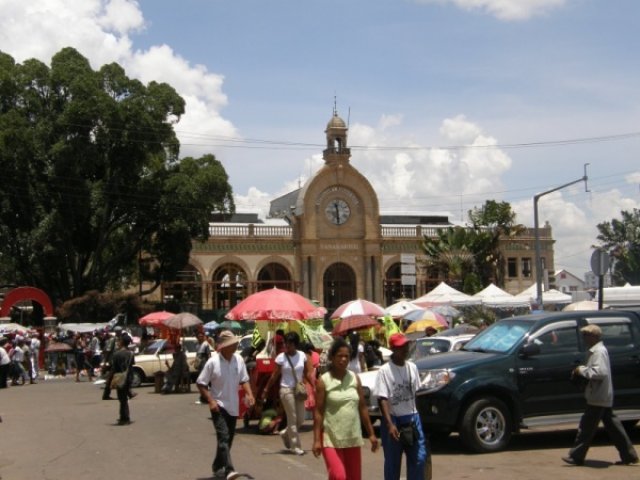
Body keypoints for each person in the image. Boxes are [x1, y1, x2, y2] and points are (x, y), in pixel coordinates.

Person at [562, 324, 639, 466]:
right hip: (600, 395)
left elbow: (599, 372)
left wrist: (581, 370)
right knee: (614, 428)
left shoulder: (598, 352)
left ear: (594, 336)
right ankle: (629, 455)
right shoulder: (596, 351)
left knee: (586, 428)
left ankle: (576, 456)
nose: (584, 338)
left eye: (586, 335)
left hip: (598, 396)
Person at [313, 337, 378, 480]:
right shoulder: (324, 381)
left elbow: (362, 408)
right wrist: (317, 439)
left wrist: (371, 434)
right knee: (339, 476)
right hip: (330, 438)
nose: (343, 359)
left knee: (354, 477)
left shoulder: (355, 378)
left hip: (352, 437)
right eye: (339, 356)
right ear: (332, 357)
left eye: (346, 356)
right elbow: (318, 412)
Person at [197, 330, 255, 480]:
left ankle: (217, 466)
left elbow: (244, 379)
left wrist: (249, 394)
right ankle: (229, 469)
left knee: (227, 440)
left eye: (235, 343)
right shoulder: (213, 362)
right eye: (232, 344)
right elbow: (201, 383)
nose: (235, 346)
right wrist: (211, 400)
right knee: (223, 437)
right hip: (219, 406)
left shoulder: (238, 360)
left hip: (233, 405)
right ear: (224, 346)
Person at [374, 332, 427, 480]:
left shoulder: (412, 368)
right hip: (394, 420)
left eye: (406, 345)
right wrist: (390, 424)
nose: (404, 349)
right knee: (392, 463)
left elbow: (416, 394)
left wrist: (420, 420)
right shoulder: (384, 371)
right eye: (400, 347)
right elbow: (382, 398)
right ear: (392, 349)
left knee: (419, 458)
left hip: (412, 418)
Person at [261, 331, 313, 456]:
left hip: (299, 390)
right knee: (292, 418)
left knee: (300, 419)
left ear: (296, 344)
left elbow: (306, 373)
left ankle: (285, 433)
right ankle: (295, 446)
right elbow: (274, 375)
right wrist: (266, 389)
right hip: (286, 390)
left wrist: (313, 385)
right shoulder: (281, 357)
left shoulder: (302, 356)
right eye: (285, 344)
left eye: (289, 344)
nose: (286, 347)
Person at [111, 335, 135, 426]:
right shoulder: (131, 353)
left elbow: (114, 368)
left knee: (122, 399)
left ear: (122, 342)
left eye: (119, 340)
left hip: (120, 378)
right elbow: (132, 365)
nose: (118, 342)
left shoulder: (116, 354)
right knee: (124, 398)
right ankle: (123, 416)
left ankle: (125, 418)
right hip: (128, 377)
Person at [195, 331, 212, 404]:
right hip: (199, 366)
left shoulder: (205, 344)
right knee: (202, 381)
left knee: (203, 382)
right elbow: (198, 356)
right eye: (199, 336)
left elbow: (209, 355)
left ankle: (204, 398)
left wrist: (209, 365)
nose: (200, 337)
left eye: (201, 336)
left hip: (204, 366)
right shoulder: (197, 345)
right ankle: (204, 398)